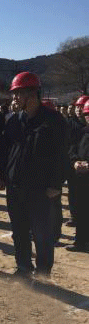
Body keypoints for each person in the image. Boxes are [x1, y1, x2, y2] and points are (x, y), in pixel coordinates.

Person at [0, 72, 68, 278]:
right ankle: (23, 267)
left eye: (18, 94)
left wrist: (56, 184)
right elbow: (4, 150)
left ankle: (43, 273)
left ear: (32, 94)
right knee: (19, 231)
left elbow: (61, 156)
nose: (14, 98)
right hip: (15, 186)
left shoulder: (54, 121)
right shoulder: (13, 120)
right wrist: (2, 175)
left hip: (41, 189)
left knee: (42, 234)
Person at [66, 99, 89, 252]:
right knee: (81, 211)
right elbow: (71, 148)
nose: (88, 117)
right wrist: (75, 161)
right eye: (87, 114)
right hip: (80, 178)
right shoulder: (82, 132)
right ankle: (80, 241)